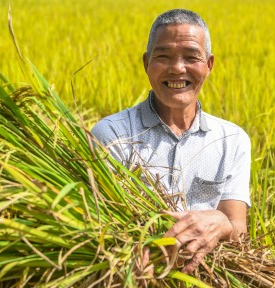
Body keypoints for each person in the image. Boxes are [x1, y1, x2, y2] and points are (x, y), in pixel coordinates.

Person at [91, 9, 251, 274]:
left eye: (191, 57)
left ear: (208, 65)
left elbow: (239, 232)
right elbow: (101, 226)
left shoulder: (232, 140)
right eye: (163, 56)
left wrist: (222, 224)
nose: (177, 68)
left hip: (209, 276)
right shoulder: (112, 135)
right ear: (146, 63)